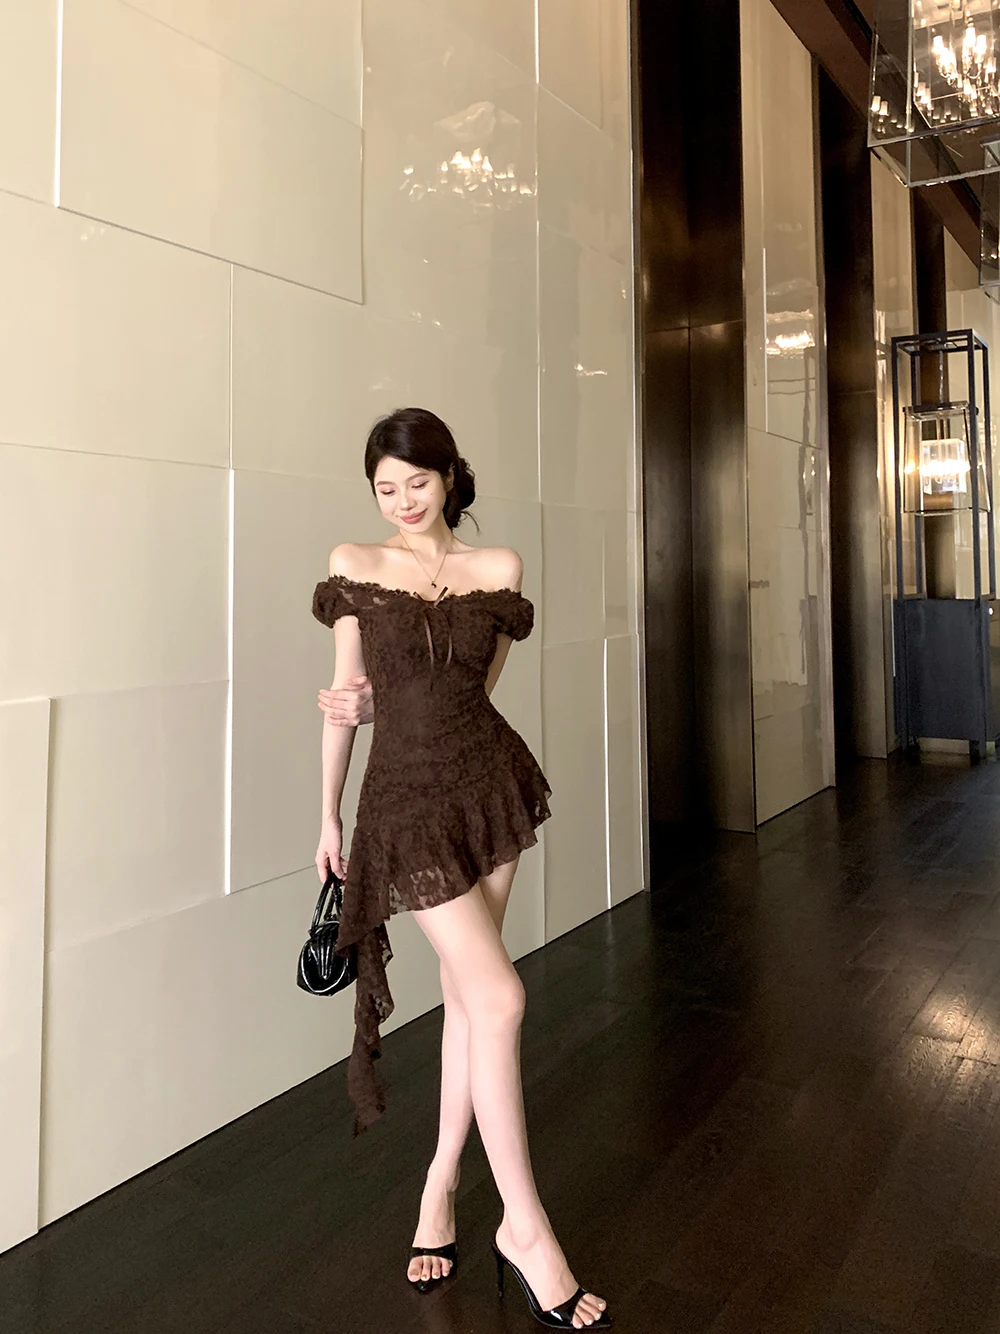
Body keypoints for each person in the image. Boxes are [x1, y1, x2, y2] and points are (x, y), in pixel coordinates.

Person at [312, 408, 612, 1330]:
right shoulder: (355, 564)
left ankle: (439, 1186)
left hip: (487, 787)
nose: (402, 501)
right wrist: (327, 811)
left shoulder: (499, 569)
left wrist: (409, 706)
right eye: (386, 488)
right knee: (502, 997)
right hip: (403, 805)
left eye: (417, 482)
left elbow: (474, 692)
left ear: (449, 477)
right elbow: (346, 700)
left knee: (470, 1001)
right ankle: (526, 1229)